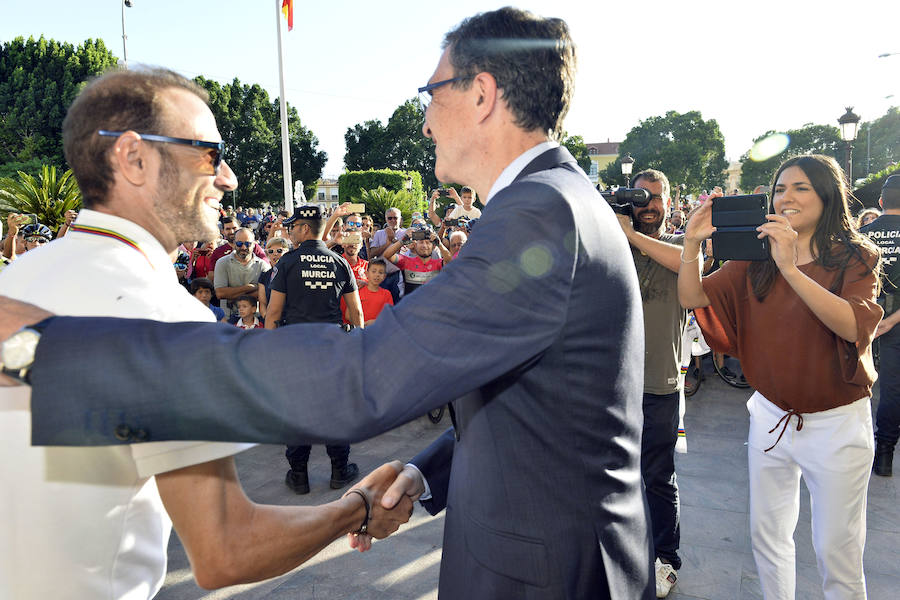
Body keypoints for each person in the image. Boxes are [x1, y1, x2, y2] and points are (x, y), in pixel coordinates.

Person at [0, 8, 653, 599]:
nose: (424, 118)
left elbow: (362, 377)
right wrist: (427, 476)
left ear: (482, 94)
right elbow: (543, 412)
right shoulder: (555, 202)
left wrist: (46, 347)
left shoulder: (539, 213)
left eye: (431, 93)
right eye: (210, 154)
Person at [0, 67, 411, 599]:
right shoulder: (169, 317)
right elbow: (226, 550)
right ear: (132, 157)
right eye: (208, 154)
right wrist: (354, 510)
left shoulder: (18, 278)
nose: (229, 178)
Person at [678, 155, 881, 600]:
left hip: (837, 423)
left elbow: (852, 325)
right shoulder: (754, 258)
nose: (786, 197)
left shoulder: (856, 256)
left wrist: (790, 266)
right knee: (766, 536)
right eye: (779, 189)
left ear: (827, 196)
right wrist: (692, 245)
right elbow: (693, 296)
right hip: (770, 415)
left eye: (800, 188)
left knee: (837, 550)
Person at [615, 168, 687, 598]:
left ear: (670, 203)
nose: (649, 206)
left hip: (659, 385)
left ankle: (666, 559)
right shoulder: (613, 243)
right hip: (611, 387)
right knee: (612, 475)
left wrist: (631, 235)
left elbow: (687, 264)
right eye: (641, 198)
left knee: (658, 476)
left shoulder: (681, 244)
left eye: (657, 197)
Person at [265, 204, 364, 495]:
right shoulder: (339, 261)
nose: (290, 230)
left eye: (293, 226)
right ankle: (339, 471)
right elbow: (356, 313)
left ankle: (299, 476)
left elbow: (273, 314)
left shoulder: (288, 262)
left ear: (305, 228)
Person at [860, 174, 900, 476]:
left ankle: (879, 455)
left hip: (866, 316)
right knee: (893, 390)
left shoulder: (863, 235)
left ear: (881, 202)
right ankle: (885, 451)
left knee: (869, 385)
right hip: (893, 322)